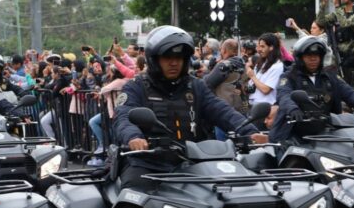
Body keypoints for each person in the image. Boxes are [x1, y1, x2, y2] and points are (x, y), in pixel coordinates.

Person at [111, 25, 267, 191]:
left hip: (193, 162)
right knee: (133, 196)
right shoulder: (136, 87)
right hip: (148, 164)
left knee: (235, 192)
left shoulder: (196, 86)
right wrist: (134, 137)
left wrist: (250, 132)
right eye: (167, 57)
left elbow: (221, 110)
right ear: (154, 59)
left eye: (179, 58)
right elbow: (123, 116)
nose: (174, 63)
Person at [270, 35, 354, 143]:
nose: (313, 59)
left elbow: (350, 93)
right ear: (300, 58)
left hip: (323, 132)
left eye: (316, 55)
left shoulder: (330, 77)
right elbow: (284, 95)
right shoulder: (289, 77)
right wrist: (293, 109)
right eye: (309, 55)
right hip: (290, 134)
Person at [316, 0, 354, 83]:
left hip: (353, 57)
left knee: (351, 87)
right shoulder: (339, 12)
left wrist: (337, 6)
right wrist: (324, 3)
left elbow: (345, 23)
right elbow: (320, 21)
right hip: (338, 56)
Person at [245, 33, 285, 113]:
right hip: (253, 106)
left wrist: (253, 77)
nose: (259, 50)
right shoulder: (262, 62)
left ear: (271, 47)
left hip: (265, 109)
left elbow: (266, 90)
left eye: (262, 46)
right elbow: (253, 84)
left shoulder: (277, 66)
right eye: (259, 46)